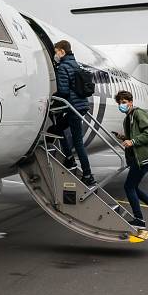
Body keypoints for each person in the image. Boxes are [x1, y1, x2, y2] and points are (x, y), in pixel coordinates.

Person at [113, 90, 148, 228]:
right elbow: (134, 136)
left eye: (124, 102)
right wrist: (123, 137)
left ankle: (139, 220)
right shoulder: (128, 117)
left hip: (144, 157)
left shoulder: (138, 113)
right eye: (119, 103)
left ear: (131, 102)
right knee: (133, 187)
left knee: (129, 186)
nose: (122, 105)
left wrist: (132, 142)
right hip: (140, 158)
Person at [51, 40, 95, 186]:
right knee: (58, 129)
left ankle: (87, 174)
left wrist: (53, 99)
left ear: (62, 51)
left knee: (72, 138)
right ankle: (70, 159)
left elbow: (63, 91)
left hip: (73, 107)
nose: (55, 54)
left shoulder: (63, 67)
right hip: (81, 106)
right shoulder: (76, 64)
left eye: (56, 51)